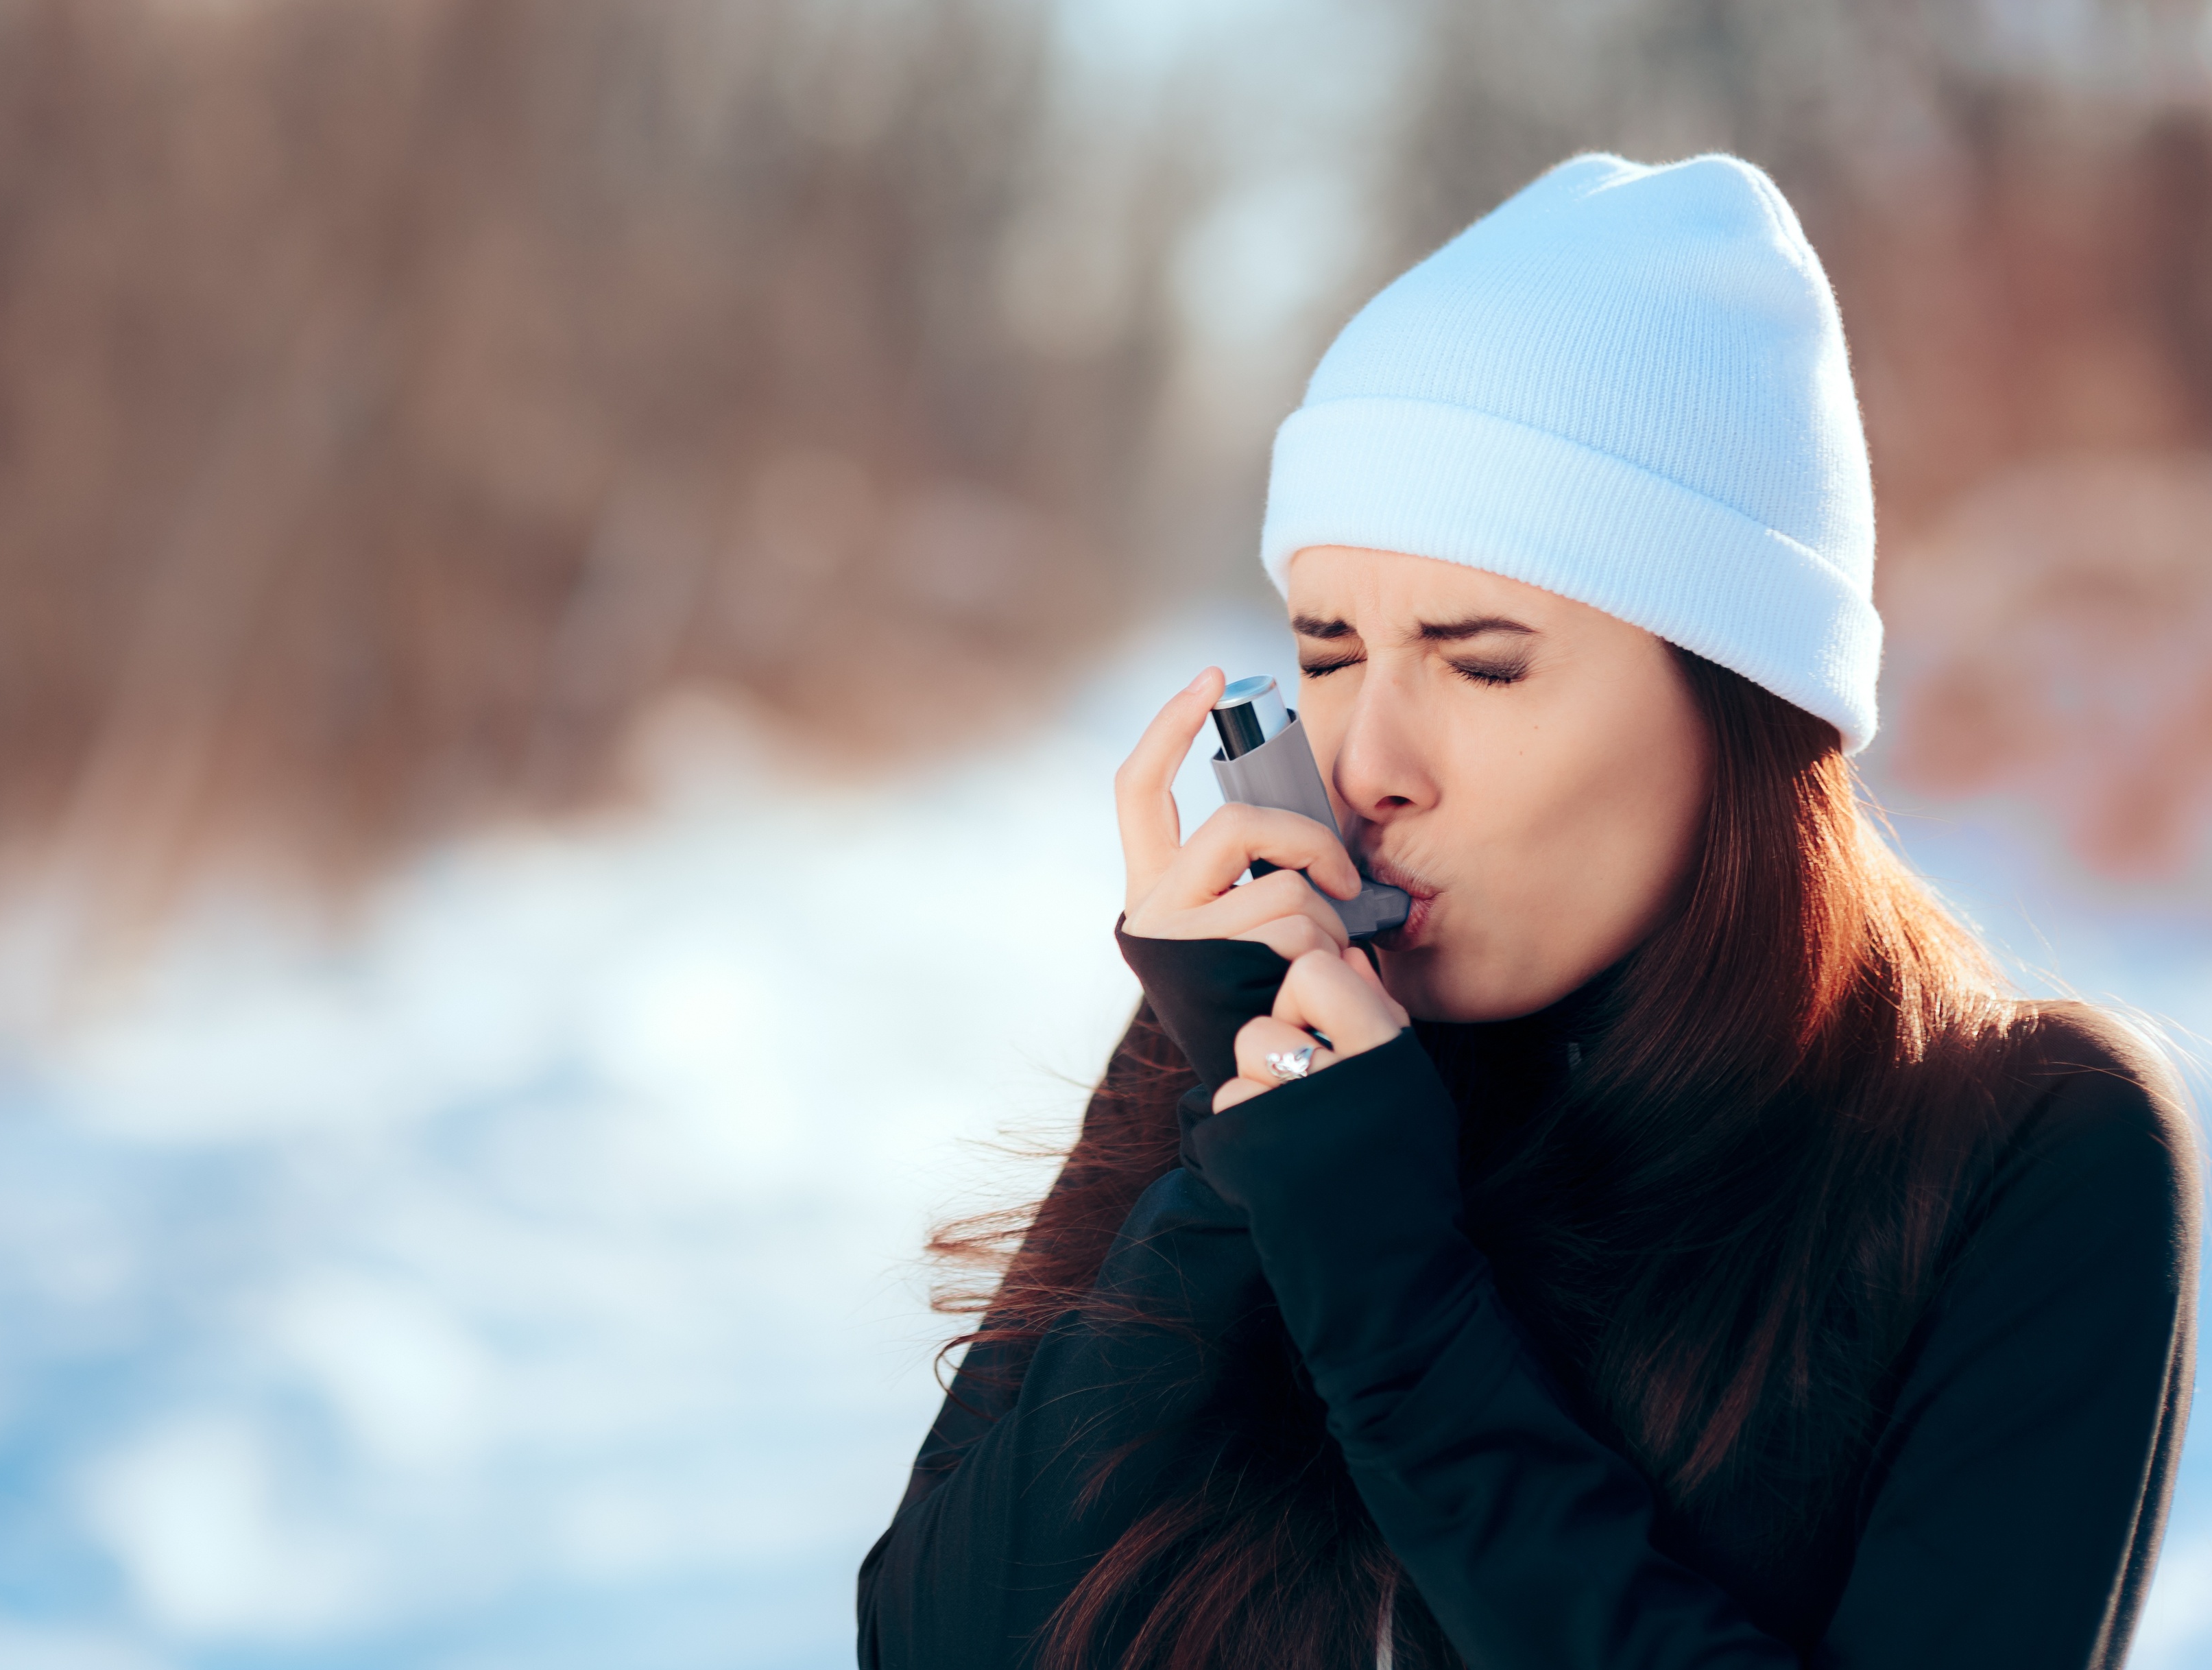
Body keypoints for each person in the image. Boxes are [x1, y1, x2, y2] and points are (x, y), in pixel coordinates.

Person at [857, 154, 2201, 1669]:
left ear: (1740, 696)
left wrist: (1384, 1279)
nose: (1369, 767)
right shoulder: (1274, 1047)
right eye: (1329, 650)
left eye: (1481, 662)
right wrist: (1230, 1169)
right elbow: (932, 1644)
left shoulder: (2027, 1152)